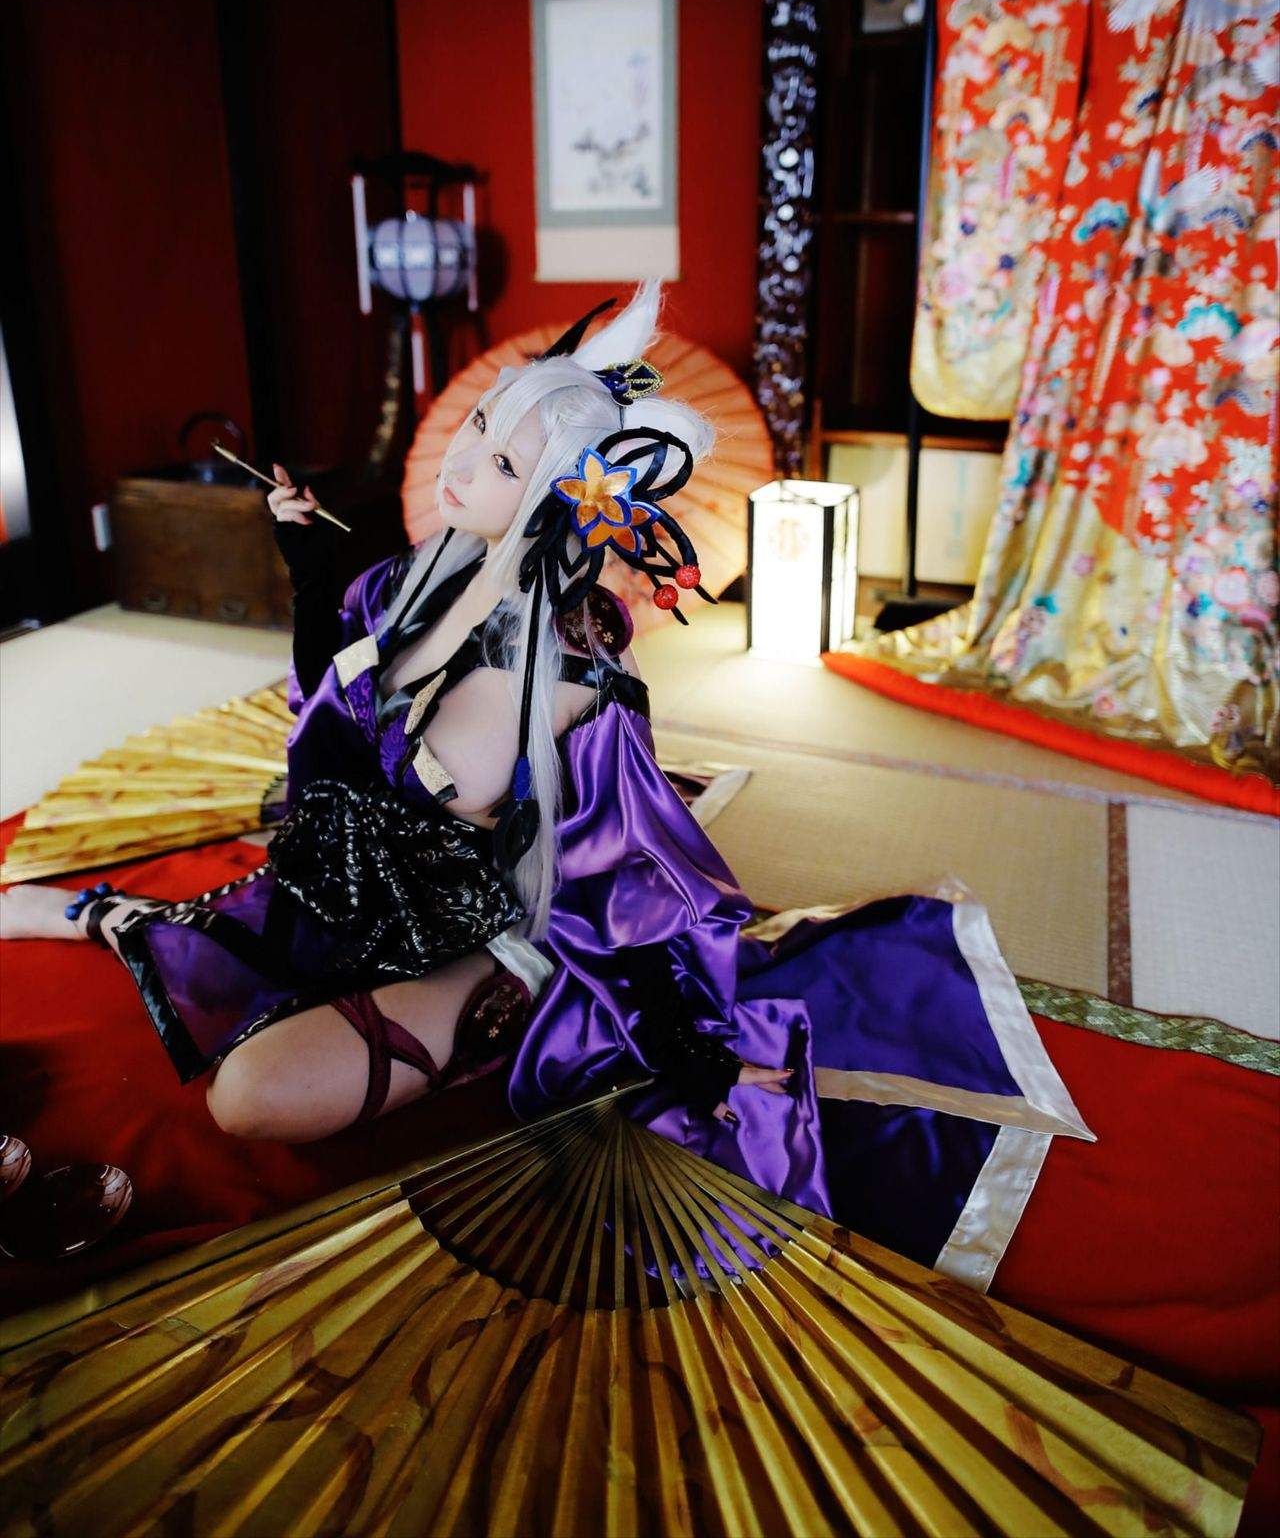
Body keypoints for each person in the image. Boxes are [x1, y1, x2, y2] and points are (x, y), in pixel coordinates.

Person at [0, 284, 1091, 1287]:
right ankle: (105, 912)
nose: (462, 465)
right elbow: (326, 712)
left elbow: (633, 864)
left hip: (471, 940)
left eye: (504, 461)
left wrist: (686, 1050)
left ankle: (487, 1022)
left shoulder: (576, 667)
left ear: (564, 503)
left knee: (245, 1099)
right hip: (336, 888)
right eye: (478, 425)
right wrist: (311, 576)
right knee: (206, 972)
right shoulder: (405, 581)